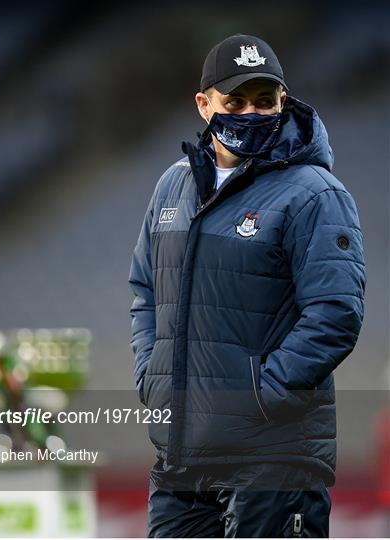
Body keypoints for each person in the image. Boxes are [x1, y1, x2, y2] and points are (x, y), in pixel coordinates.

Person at [128, 34, 366, 538]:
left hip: (273, 458)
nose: (250, 113)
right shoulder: (172, 186)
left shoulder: (316, 193)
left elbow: (336, 313)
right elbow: (145, 291)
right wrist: (154, 375)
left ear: (283, 100)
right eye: (234, 101)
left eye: (264, 101)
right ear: (204, 105)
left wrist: (261, 393)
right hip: (181, 455)